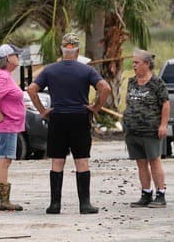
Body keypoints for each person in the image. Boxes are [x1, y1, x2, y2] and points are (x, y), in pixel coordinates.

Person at [27, 32, 113, 215]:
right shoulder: (86, 70)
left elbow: (31, 89)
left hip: (57, 117)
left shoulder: (50, 70)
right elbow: (105, 88)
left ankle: (55, 205)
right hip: (79, 117)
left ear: (62, 49)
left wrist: (42, 111)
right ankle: (85, 204)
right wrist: (95, 107)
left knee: (57, 161)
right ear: (78, 50)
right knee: (81, 160)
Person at [123, 48, 170, 208]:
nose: (133, 65)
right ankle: (146, 193)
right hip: (132, 130)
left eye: (136, 62)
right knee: (140, 162)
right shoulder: (132, 82)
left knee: (154, 161)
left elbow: (165, 104)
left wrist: (163, 125)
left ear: (147, 64)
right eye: (133, 62)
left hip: (150, 130)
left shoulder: (157, 83)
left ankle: (161, 194)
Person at [0, 43, 25, 211]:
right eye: (16, 55)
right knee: (4, 160)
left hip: (5, 125)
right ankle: (3, 200)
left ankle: (0, 199)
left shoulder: (0, 74)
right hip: (6, 125)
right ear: (8, 58)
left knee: (1, 159)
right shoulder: (2, 76)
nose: (18, 58)